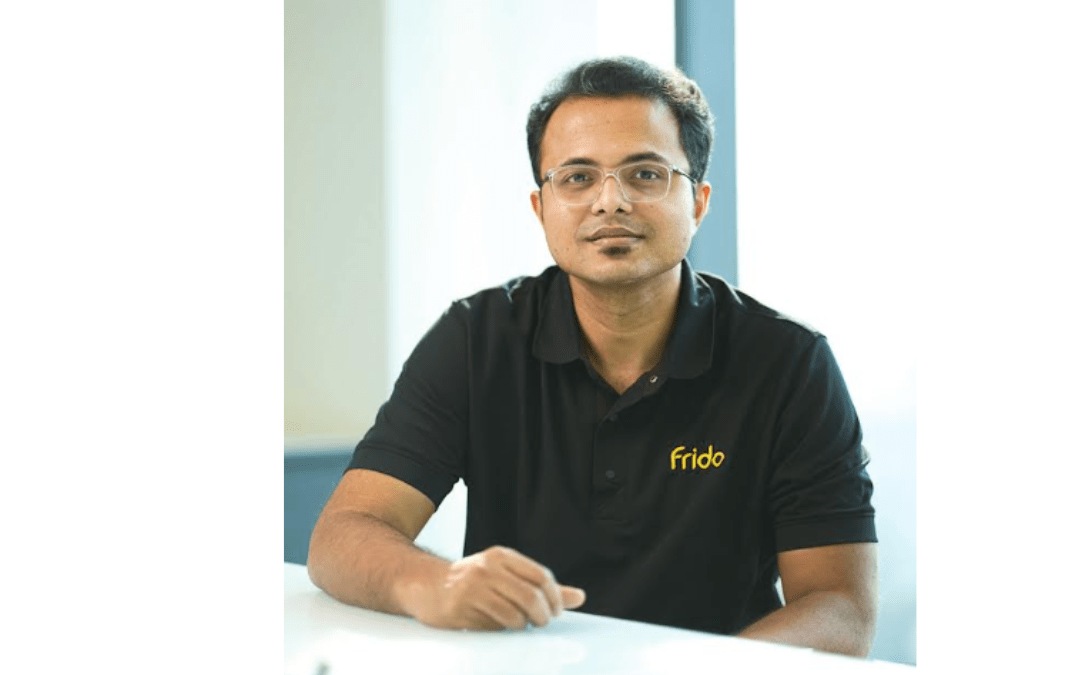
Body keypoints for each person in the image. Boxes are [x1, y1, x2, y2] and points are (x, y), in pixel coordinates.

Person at [307, 55, 878, 657]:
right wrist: (436, 582)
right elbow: (343, 534)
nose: (610, 202)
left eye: (646, 174)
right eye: (578, 178)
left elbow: (840, 608)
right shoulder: (477, 339)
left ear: (698, 202)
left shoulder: (789, 363)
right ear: (541, 208)